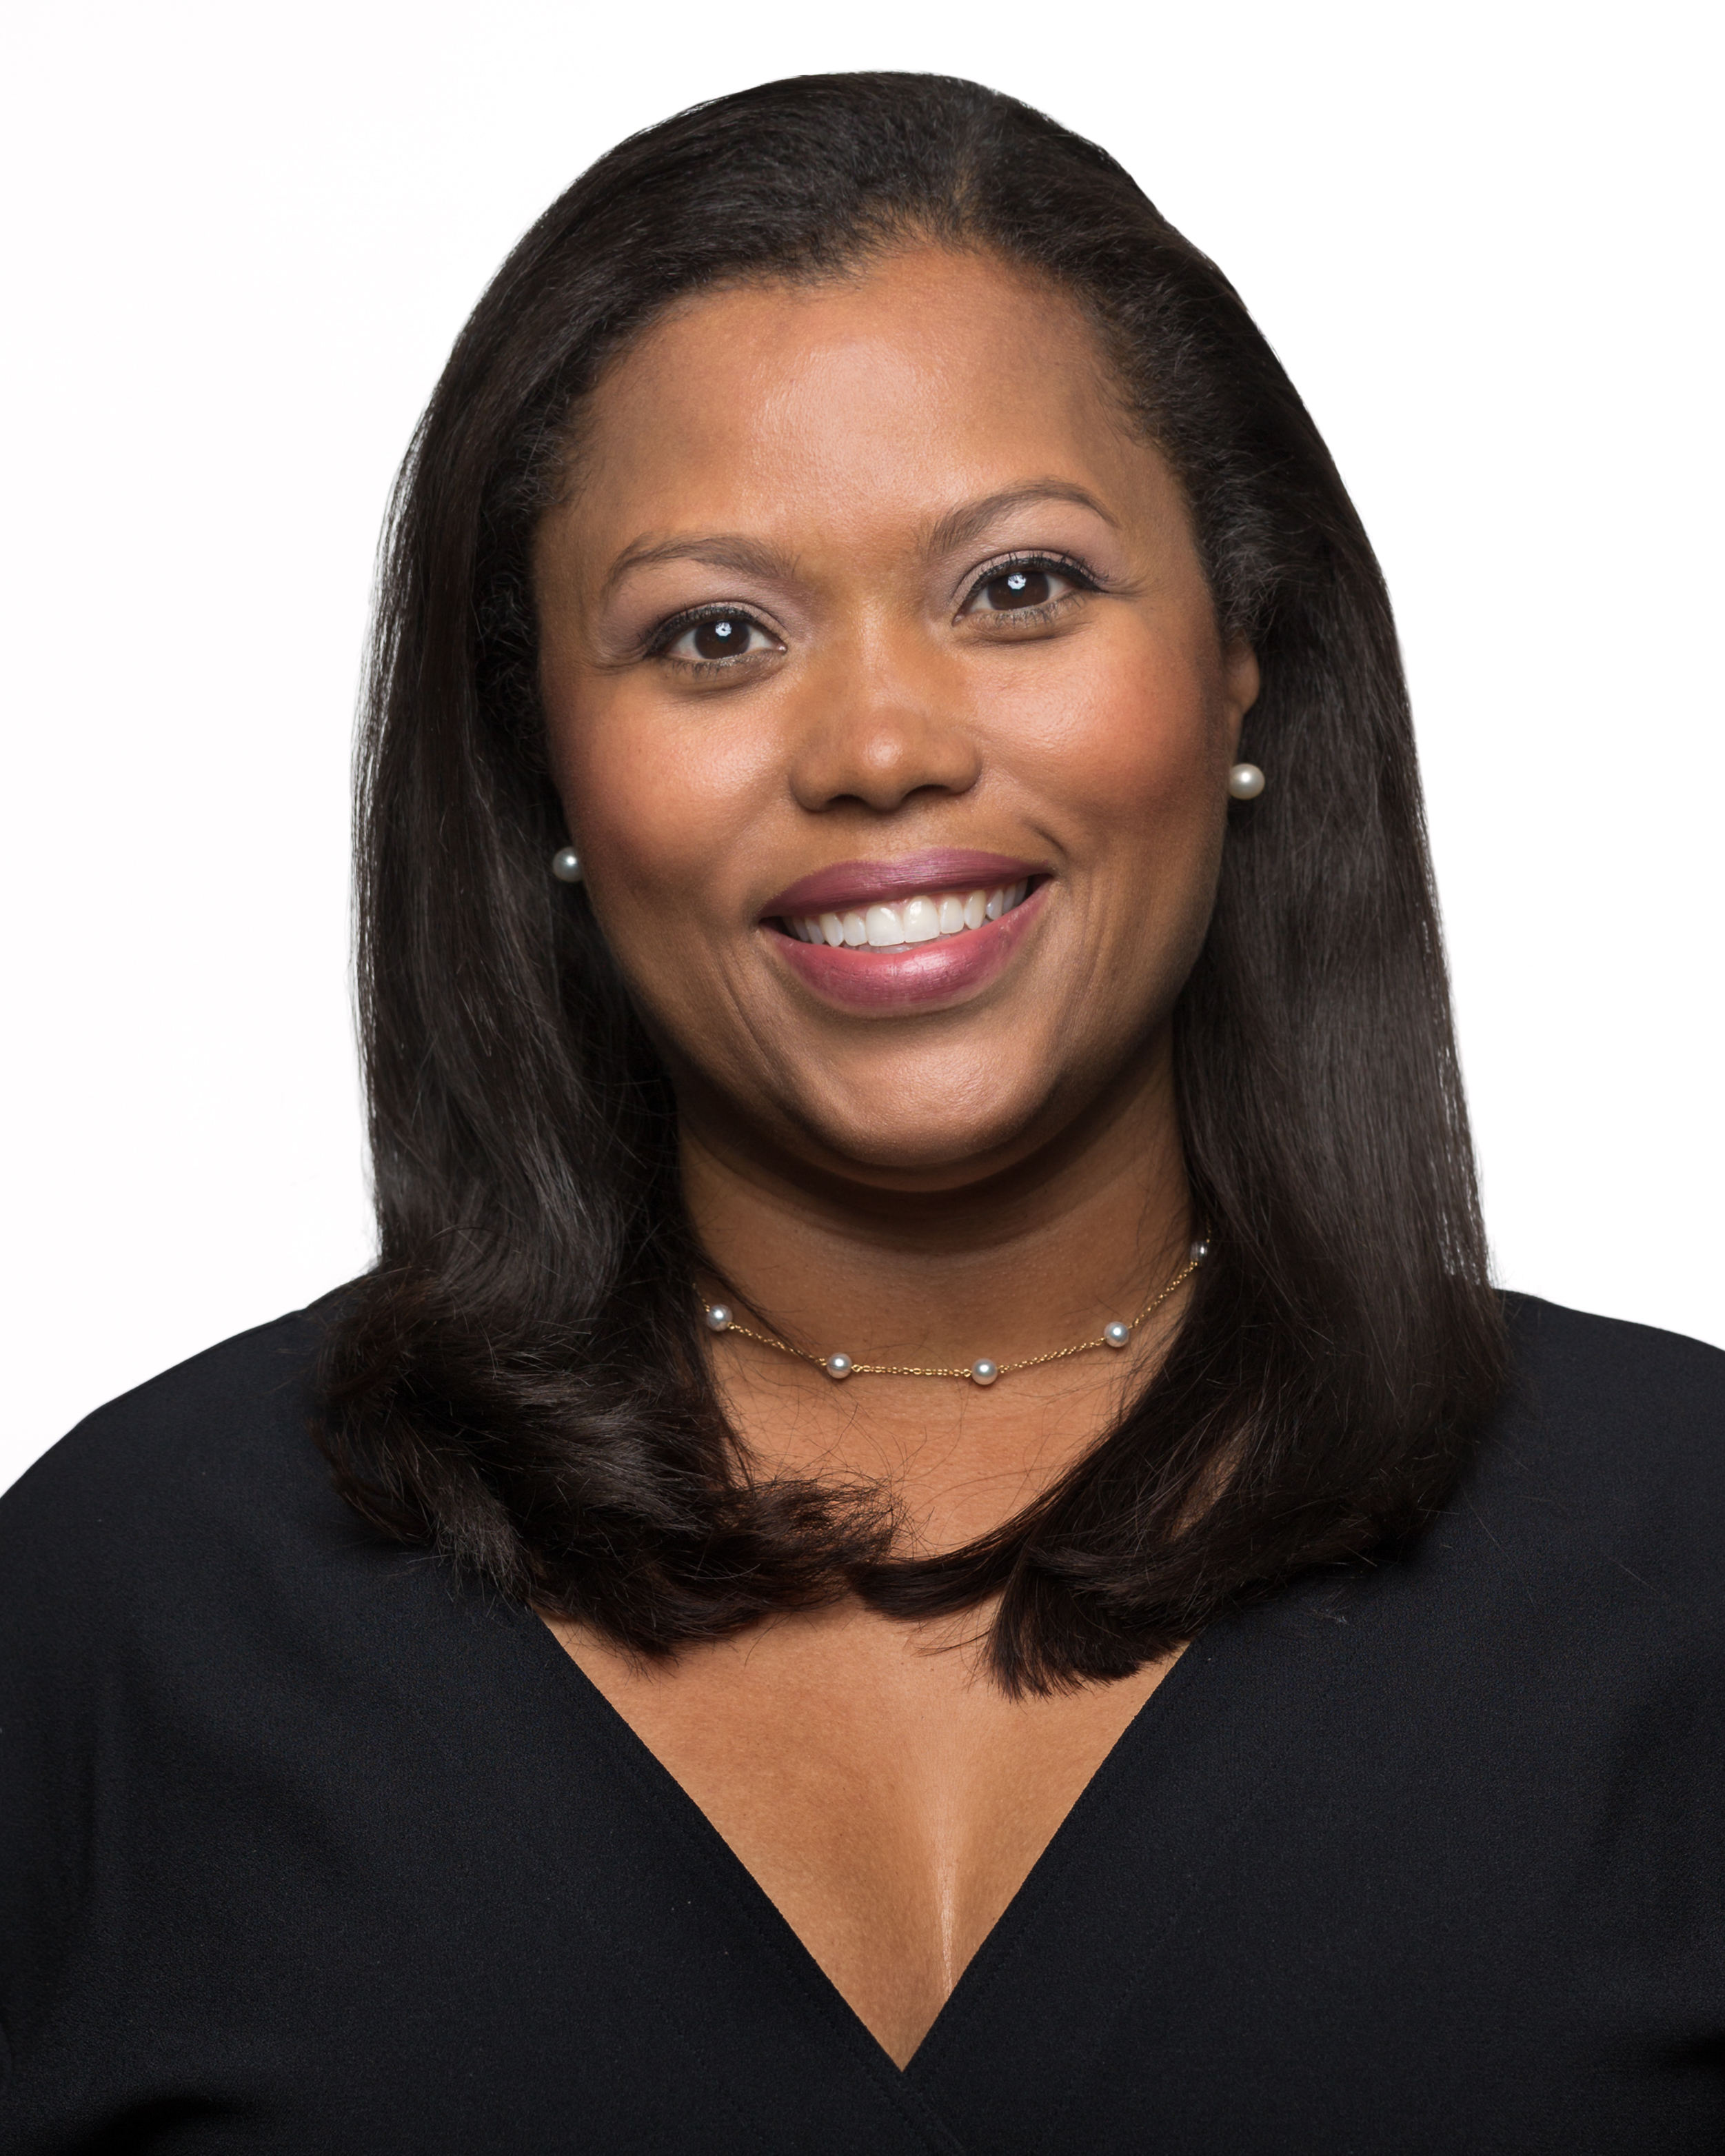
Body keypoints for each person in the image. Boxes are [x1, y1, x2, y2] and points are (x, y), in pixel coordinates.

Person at [1, 71, 1719, 2155]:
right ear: (542, 761)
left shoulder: (1686, 1554)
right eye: (713, 633)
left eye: (1019, 588)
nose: (882, 747)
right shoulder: (124, 1615)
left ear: (1245, 652)